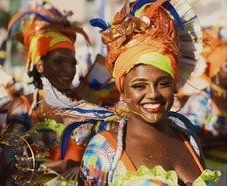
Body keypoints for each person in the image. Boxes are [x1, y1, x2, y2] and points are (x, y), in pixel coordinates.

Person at [50, 0, 222, 185]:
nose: (152, 93)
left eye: (163, 83)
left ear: (174, 85)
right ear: (123, 90)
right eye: (139, 86)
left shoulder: (189, 140)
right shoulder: (104, 149)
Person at [0, 2, 92, 185]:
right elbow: (14, 164)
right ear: (40, 66)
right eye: (59, 62)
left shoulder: (84, 104)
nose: (68, 70)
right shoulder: (23, 107)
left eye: (72, 63)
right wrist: (60, 166)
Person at [181, 27, 227, 185]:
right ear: (215, 72)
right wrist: (222, 140)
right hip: (212, 175)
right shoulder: (200, 101)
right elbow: (188, 142)